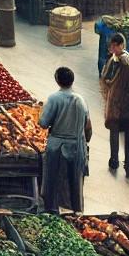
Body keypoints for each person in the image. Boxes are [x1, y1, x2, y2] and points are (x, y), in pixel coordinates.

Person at [39, 66, 93, 212]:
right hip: (77, 146)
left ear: (57, 80)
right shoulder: (81, 100)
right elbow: (88, 127)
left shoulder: (54, 98)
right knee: (75, 183)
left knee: (53, 182)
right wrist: (84, 143)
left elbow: (43, 123)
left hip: (57, 147)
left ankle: (52, 211)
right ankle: (75, 213)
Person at [101, 33, 129, 177]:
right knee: (119, 131)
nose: (112, 48)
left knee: (124, 131)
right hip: (120, 102)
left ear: (121, 46)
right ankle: (117, 160)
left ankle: (125, 163)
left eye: (115, 46)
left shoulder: (126, 61)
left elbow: (112, 80)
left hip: (125, 103)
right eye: (111, 46)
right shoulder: (116, 59)